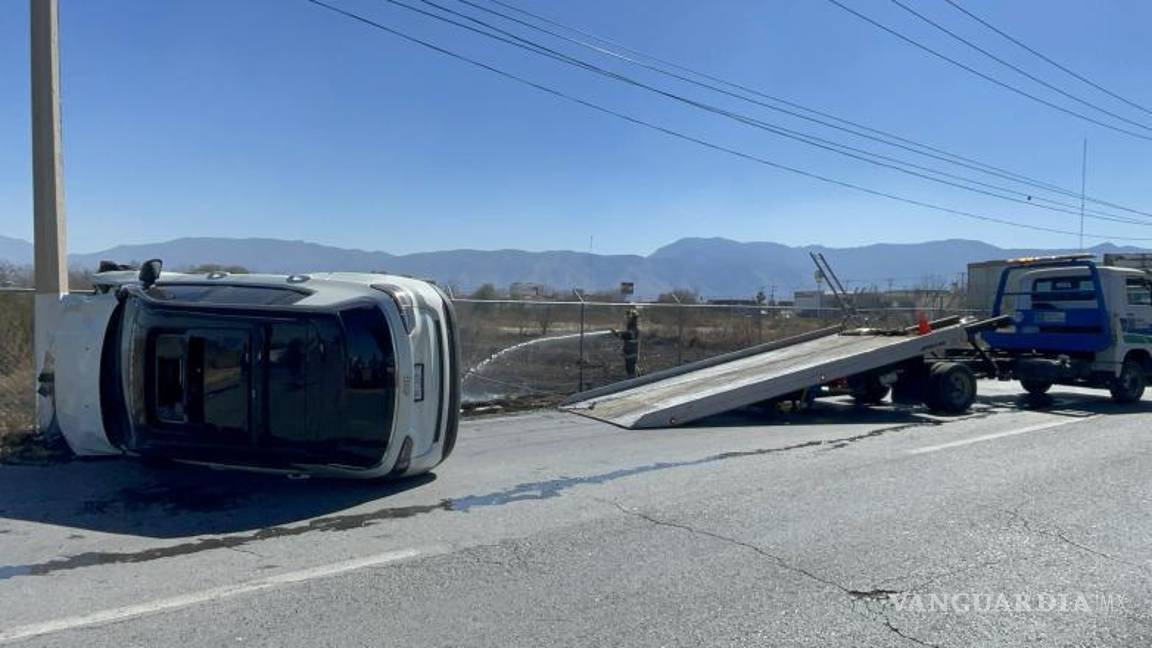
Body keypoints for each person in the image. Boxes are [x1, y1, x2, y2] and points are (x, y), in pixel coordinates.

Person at [617, 308, 641, 378]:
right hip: (630, 352)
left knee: (631, 368)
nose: (627, 319)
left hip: (631, 353)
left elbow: (625, 336)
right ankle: (637, 378)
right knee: (632, 366)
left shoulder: (633, 329)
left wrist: (616, 333)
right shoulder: (632, 327)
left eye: (628, 317)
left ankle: (634, 382)